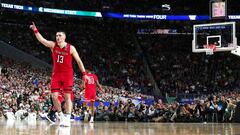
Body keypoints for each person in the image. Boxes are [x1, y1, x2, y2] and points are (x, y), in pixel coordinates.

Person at [30, 22, 87, 127]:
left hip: (67, 74)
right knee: (54, 96)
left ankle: (67, 117)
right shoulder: (53, 45)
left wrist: (84, 74)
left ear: (64, 37)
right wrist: (35, 30)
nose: (58, 37)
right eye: (56, 35)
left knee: (67, 96)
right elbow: (42, 40)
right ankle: (61, 116)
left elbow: (79, 61)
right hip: (56, 74)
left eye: (60, 35)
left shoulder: (71, 48)